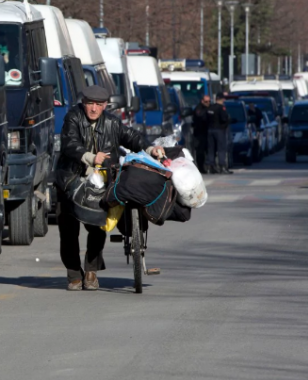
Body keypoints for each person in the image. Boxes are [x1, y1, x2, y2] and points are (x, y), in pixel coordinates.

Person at [56, 84, 165, 291]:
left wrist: (151, 149)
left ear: (105, 105)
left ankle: (91, 271)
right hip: (71, 179)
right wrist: (90, 157)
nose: (94, 109)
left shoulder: (113, 123)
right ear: (83, 103)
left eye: (98, 104)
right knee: (68, 229)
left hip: (102, 182)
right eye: (90, 104)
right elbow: (69, 143)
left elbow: (133, 138)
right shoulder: (73, 118)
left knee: (98, 225)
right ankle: (73, 274)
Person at [208, 93, 232, 174]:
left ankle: (211, 166)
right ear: (222, 99)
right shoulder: (221, 108)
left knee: (211, 149)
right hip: (219, 130)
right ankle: (222, 166)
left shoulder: (210, 107)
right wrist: (227, 121)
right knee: (221, 149)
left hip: (210, 130)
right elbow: (224, 119)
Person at [192, 94, 212, 174]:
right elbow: (199, 116)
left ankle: (209, 166)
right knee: (200, 151)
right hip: (199, 133)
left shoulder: (209, 108)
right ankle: (201, 167)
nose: (208, 103)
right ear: (202, 101)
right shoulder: (199, 108)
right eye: (206, 101)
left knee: (208, 150)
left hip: (208, 132)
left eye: (209, 102)